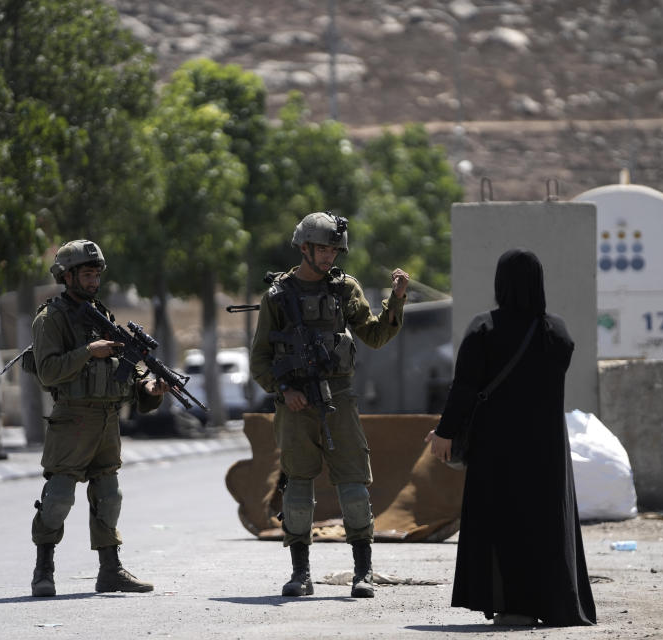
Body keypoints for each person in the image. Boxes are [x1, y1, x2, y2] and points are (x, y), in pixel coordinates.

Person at [425, 248, 596, 627]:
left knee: (501, 521)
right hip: (546, 449)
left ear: (501, 283)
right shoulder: (557, 331)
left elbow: (465, 387)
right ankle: (551, 603)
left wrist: (445, 432)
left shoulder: (484, 328)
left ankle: (511, 604)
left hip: (497, 447)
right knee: (544, 522)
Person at [249, 211, 409, 599]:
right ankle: (300, 573)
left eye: (334, 250)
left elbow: (373, 335)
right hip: (296, 403)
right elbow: (260, 360)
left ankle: (363, 573)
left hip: (338, 397)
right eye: (322, 249)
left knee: (354, 486)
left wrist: (396, 301)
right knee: (298, 488)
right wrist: (285, 390)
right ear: (304, 248)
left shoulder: (343, 289)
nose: (329, 257)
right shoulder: (278, 296)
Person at [29, 239, 169, 597]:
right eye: (86, 274)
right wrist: (88, 351)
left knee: (109, 495)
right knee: (59, 497)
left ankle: (111, 570)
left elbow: (124, 366)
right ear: (67, 276)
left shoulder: (102, 315)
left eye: (96, 274)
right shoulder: (51, 318)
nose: (93, 281)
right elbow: (48, 372)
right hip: (72, 418)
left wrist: (148, 386)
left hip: (107, 418)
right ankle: (44, 568)